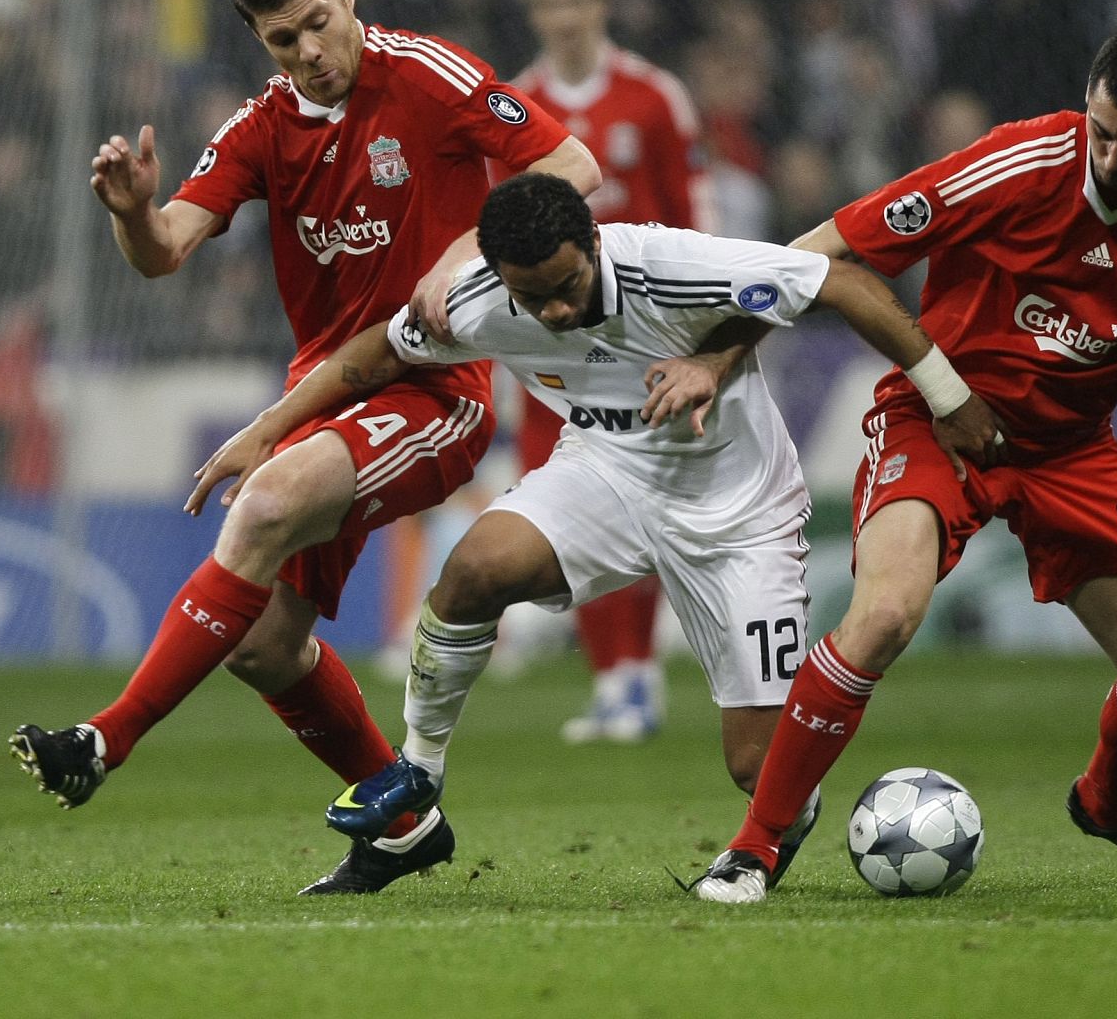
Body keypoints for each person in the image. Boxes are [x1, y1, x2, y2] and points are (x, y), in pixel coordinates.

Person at [188, 172, 1001, 891]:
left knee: (758, 767)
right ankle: (420, 770)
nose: (554, 309)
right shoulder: (481, 300)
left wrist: (947, 394)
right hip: (607, 477)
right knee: (472, 572)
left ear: (594, 242)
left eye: (567, 285)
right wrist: (272, 426)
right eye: (531, 296)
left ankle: (788, 808)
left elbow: (840, 283)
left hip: (738, 514)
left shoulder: (670, 263)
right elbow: (378, 355)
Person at [7, 0, 600, 896]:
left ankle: (103, 741)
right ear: (260, 41)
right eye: (284, 41)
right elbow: (165, 252)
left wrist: (468, 257)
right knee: (262, 646)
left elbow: (571, 168)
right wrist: (130, 213)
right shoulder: (257, 131)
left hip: (434, 387)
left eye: (320, 24)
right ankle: (403, 822)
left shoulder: (431, 75)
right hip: (327, 393)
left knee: (269, 501)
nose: (311, 54)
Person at [693, 24, 1117, 903]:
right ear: (1089, 102)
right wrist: (720, 351)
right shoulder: (1015, 166)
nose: (1111, 158)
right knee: (885, 612)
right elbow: (826, 247)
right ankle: (754, 847)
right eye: (1101, 131)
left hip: (1072, 448)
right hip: (940, 418)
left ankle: (1108, 803)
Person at [504, 0, 717, 744]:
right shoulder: (516, 103)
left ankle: (638, 678)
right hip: (551, 342)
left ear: (599, 6)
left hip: (642, 331)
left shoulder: (653, 96)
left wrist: (702, 317)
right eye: (548, 4)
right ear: (536, 14)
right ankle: (612, 681)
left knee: (643, 497)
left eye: (574, 1)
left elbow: (694, 207)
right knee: (567, 504)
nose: (563, 17)